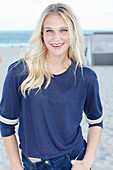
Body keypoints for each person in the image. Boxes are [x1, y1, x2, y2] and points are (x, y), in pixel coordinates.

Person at [0, 3, 103, 170]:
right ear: (41, 34)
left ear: (73, 33)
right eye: (50, 31)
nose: (57, 38)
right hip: (35, 165)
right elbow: (6, 125)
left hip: (74, 160)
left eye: (64, 30)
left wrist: (87, 161)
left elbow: (96, 122)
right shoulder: (19, 72)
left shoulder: (86, 77)